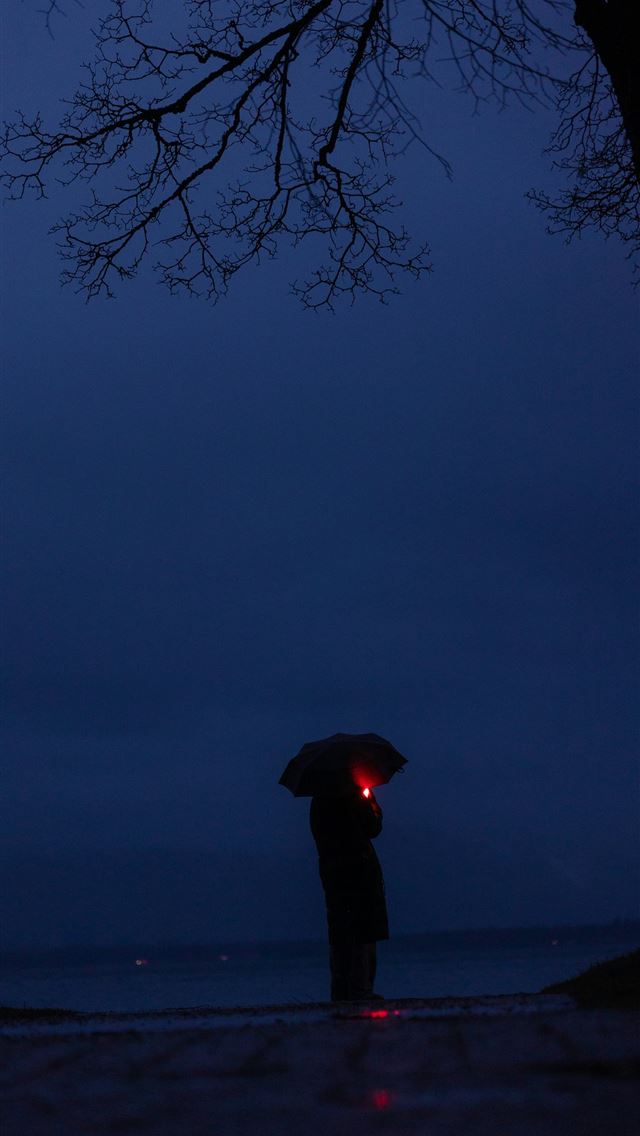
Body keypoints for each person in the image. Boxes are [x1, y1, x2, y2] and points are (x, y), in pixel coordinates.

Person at [310, 783, 388, 1002]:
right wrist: (372, 804)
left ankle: (341, 989)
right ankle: (360, 990)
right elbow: (373, 828)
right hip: (359, 871)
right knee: (364, 928)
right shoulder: (354, 796)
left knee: (340, 930)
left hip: (332, 873)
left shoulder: (318, 801)